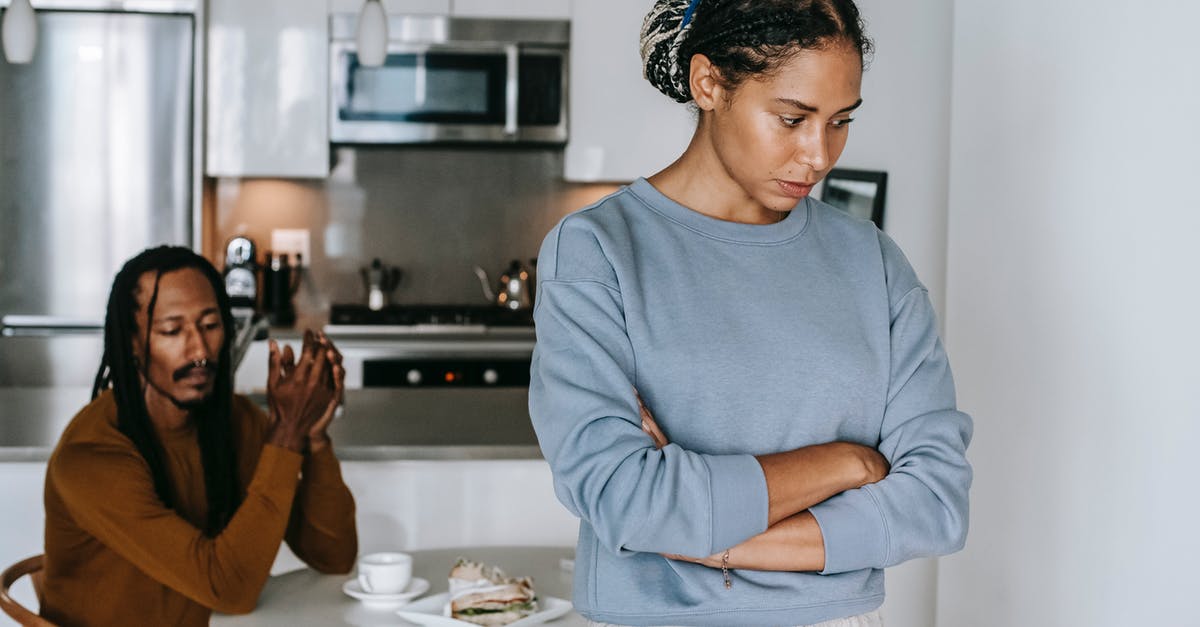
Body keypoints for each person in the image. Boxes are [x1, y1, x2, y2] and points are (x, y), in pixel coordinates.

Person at [528, 0, 973, 625]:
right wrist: (846, 462)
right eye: (792, 119)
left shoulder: (871, 261)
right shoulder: (599, 251)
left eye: (840, 120)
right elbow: (622, 496)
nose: (818, 155)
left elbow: (935, 503)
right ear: (710, 84)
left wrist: (717, 541)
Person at [40, 246, 358, 626]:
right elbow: (230, 590)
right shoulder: (92, 458)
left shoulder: (233, 421)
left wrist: (313, 439)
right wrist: (286, 434)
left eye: (210, 325)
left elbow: (333, 555)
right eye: (172, 330)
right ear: (132, 344)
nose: (200, 350)